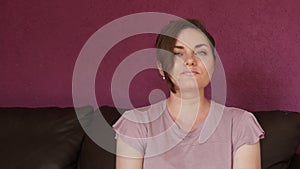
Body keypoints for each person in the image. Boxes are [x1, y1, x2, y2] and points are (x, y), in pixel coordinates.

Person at [113, 19, 264, 169]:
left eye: (201, 52)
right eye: (178, 54)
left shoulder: (240, 124)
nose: (190, 60)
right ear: (161, 67)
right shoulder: (135, 124)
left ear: (213, 64)